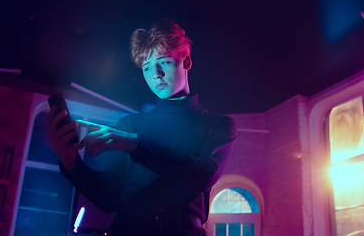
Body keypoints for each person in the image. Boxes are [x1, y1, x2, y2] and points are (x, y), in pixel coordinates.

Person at [48, 19, 237, 236]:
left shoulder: (219, 125)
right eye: (146, 67)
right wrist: (72, 163)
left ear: (186, 61)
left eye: (164, 62)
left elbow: (204, 176)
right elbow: (109, 200)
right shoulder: (129, 125)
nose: (155, 74)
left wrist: (134, 143)